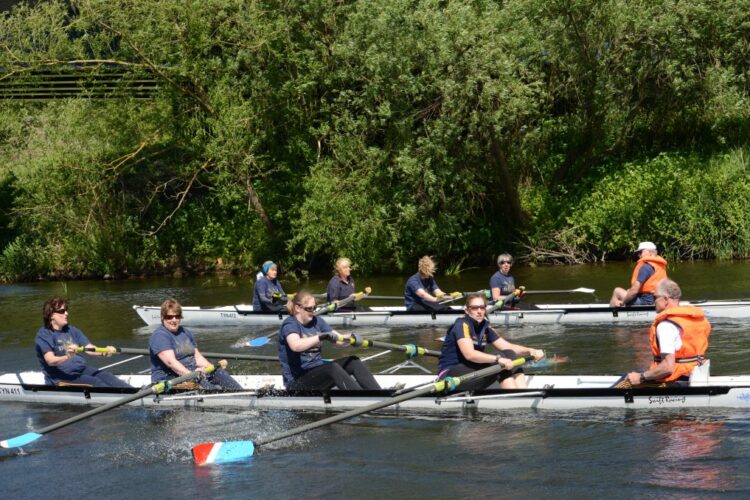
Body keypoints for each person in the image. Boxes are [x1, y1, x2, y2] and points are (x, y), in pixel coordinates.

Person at [438, 292, 545, 390]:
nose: (479, 311)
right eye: (475, 308)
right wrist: (498, 359)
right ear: (467, 310)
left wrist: (531, 350)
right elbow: (469, 355)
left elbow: (508, 346)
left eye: (482, 307)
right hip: (450, 376)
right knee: (499, 359)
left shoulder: (485, 327)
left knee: (509, 353)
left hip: (470, 371)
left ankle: (522, 391)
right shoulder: (462, 325)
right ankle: (514, 397)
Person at [278, 291, 381, 390]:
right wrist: (320, 337)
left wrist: (351, 338)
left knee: (353, 361)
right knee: (332, 367)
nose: (313, 311)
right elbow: (296, 346)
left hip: (318, 373)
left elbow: (338, 340)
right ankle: (361, 398)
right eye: (309, 308)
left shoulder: (317, 321)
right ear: (298, 308)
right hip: (297, 382)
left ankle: (378, 394)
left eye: (314, 308)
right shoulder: (290, 324)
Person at [624, 278, 710, 386]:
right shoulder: (694, 319)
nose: (653, 301)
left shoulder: (666, 325)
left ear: (665, 300)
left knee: (626, 380)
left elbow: (667, 368)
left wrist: (641, 377)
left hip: (675, 381)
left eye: (654, 297)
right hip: (696, 375)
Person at [34, 297, 132, 388]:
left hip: (81, 369)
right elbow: (50, 361)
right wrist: (68, 356)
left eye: (66, 310)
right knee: (96, 382)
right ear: (51, 315)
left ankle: (135, 393)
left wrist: (104, 352)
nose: (66, 313)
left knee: (108, 376)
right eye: (62, 311)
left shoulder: (71, 330)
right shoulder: (44, 335)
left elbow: (89, 348)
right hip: (60, 377)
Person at [149, 298, 242, 391]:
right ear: (162, 317)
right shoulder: (160, 336)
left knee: (218, 372)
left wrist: (211, 368)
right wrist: (191, 375)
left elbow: (197, 358)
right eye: (169, 317)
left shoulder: (185, 332)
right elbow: (171, 363)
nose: (174, 320)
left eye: (177, 316)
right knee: (205, 385)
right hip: (168, 379)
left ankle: (242, 393)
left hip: (192, 372)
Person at [610, 241, 668, 307]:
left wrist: (622, 302)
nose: (639, 255)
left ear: (649, 252)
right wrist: (630, 292)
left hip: (645, 302)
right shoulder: (659, 265)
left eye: (640, 252)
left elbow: (634, 291)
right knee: (629, 291)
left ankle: (611, 314)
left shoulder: (646, 267)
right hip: (656, 299)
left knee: (617, 291)